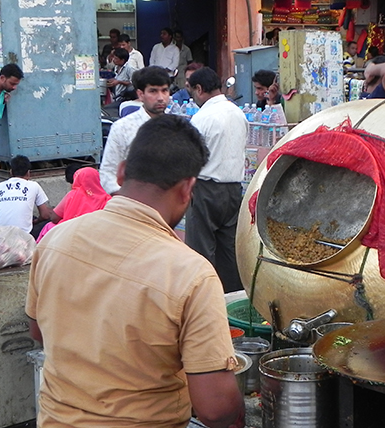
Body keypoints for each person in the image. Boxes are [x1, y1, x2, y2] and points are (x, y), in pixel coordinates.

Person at [26, 114, 245, 428]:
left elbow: (38, 331)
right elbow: (215, 408)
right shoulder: (192, 273)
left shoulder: (55, 239)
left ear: (122, 171)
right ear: (188, 189)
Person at [187, 67, 249, 292]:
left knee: (201, 251)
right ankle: (234, 299)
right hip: (233, 189)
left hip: (205, 188)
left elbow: (192, 157)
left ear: (200, 89)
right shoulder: (238, 113)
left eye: (192, 91)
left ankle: (203, 298)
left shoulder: (201, 118)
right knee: (228, 251)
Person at [100, 66, 170, 195]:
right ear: (140, 94)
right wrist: (127, 201)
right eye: (153, 91)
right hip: (133, 203)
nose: (160, 98)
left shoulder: (176, 126)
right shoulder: (123, 128)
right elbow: (108, 173)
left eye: (164, 91)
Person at [36, 167, 111, 242]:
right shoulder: (107, 198)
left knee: (49, 226)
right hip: (97, 234)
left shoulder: (73, 195)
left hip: (71, 233)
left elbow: (54, 218)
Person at [0, 155, 52, 235]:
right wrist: (36, 221)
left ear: (11, 172)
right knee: (50, 222)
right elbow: (45, 215)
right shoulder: (34, 186)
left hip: (0, 235)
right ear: (28, 173)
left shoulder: (1, 186)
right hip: (23, 235)